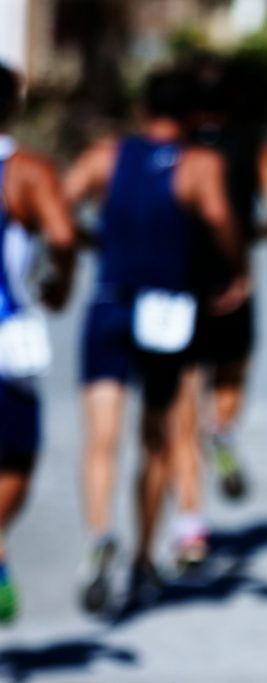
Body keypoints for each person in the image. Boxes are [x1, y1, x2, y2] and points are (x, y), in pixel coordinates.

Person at [64, 68, 246, 614]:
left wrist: (89, 240)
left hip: (110, 303)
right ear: (192, 115)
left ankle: (100, 535)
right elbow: (219, 218)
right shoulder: (199, 163)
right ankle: (143, 557)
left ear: (143, 108)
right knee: (157, 440)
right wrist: (233, 270)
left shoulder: (105, 156)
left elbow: (60, 208)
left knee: (101, 438)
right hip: (169, 310)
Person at [164, 57, 267, 573]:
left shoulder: (177, 147)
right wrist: (245, 238)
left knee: (179, 413)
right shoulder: (255, 143)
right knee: (231, 374)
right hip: (234, 284)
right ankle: (222, 429)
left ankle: (190, 528)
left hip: (177, 285)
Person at [0, 63, 76, 624]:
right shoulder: (24, 171)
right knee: (16, 460)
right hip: (7, 338)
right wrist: (60, 284)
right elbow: (63, 234)